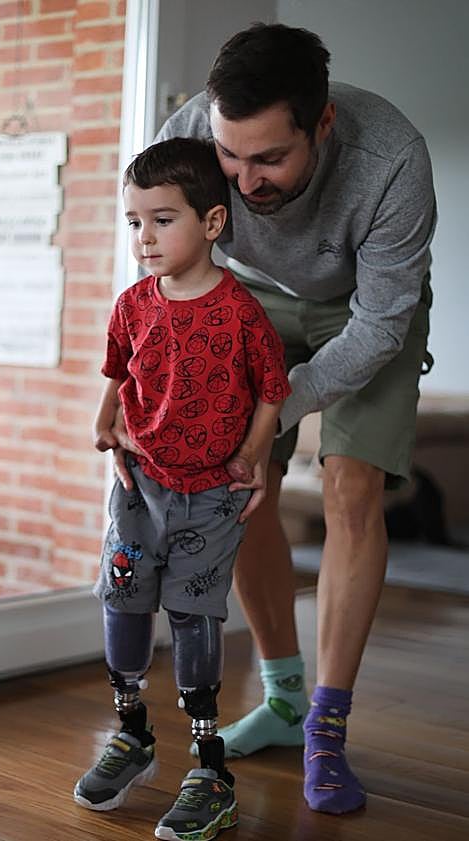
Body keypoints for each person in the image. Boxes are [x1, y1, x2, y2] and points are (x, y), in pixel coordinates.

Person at [111, 23, 436, 815]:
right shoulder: (188, 131)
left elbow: (378, 324)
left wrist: (269, 407)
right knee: (234, 480)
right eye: (230, 157)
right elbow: (160, 267)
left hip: (360, 310)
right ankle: (284, 697)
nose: (243, 180)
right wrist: (141, 396)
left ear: (320, 125)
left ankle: (326, 725)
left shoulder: (390, 158)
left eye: (269, 158)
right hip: (242, 296)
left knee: (350, 489)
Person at [73, 136, 290, 841]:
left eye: (162, 219)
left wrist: (253, 456)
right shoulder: (132, 304)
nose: (144, 237)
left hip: (210, 495)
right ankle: (132, 730)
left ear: (212, 223)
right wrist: (105, 422)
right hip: (138, 484)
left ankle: (209, 767)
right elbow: (116, 369)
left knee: (193, 614)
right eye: (134, 221)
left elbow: (272, 391)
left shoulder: (240, 313)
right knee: (122, 598)